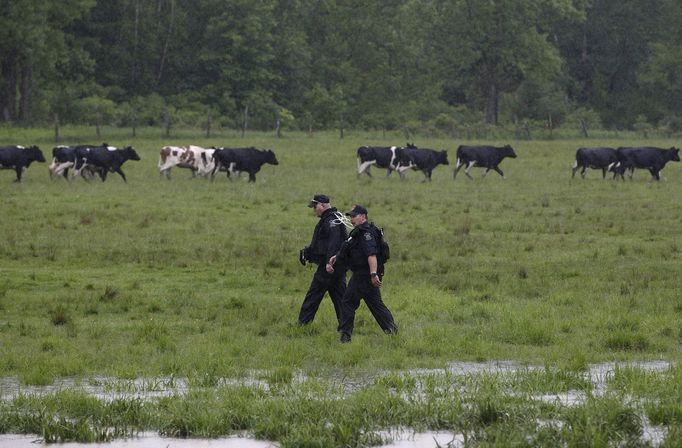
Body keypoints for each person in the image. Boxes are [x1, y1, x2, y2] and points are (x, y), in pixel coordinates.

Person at [327, 204, 398, 343]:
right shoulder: (358, 232)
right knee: (376, 304)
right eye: (351, 216)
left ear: (363, 217)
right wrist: (337, 256)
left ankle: (345, 336)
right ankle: (392, 331)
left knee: (347, 302)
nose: (352, 219)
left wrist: (373, 274)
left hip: (363, 275)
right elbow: (351, 248)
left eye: (354, 216)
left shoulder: (366, 234)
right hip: (365, 275)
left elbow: (371, 255)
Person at [297, 194, 347, 327]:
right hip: (336, 266)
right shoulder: (329, 219)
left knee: (314, 294)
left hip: (330, 267)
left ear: (323, 205)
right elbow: (322, 243)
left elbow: (334, 243)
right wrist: (308, 252)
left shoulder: (332, 221)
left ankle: (303, 324)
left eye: (315, 206)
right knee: (340, 297)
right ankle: (346, 325)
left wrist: (328, 263)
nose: (314, 209)